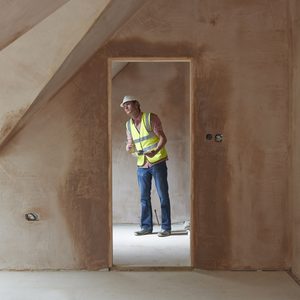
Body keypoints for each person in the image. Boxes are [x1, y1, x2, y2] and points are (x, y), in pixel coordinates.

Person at [120, 95, 172, 237]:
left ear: (136, 104)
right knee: (144, 197)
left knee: (163, 195)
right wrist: (128, 147)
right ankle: (146, 227)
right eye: (124, 106)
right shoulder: (128, 125)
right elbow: (131, 144)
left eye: (128, 104)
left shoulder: (150, 118)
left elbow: (163, 137)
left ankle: (166, 228)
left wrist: (155, 150)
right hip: (142, 165)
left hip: (157, 161)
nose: (125, 108)